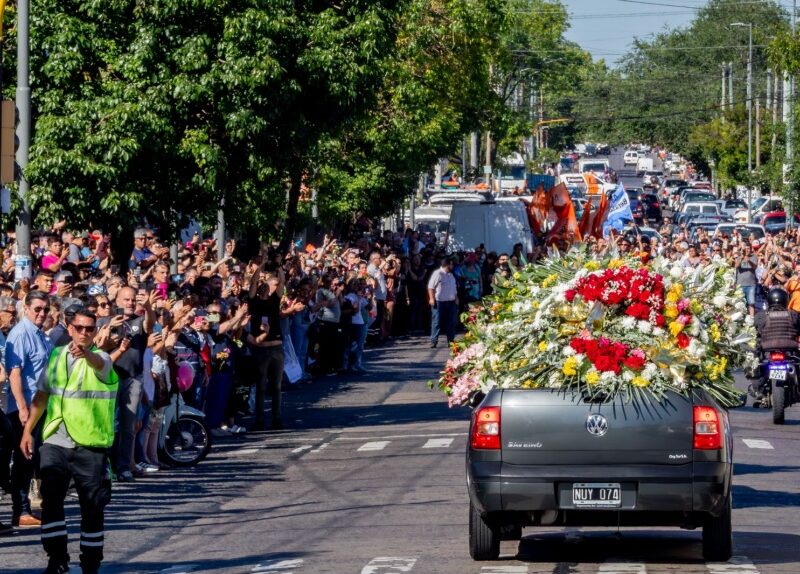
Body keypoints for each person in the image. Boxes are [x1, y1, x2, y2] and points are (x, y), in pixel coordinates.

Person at [20, 308, 117, 574]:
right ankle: (57, 559)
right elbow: (42, 395)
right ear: (69, 327)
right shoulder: (56, 356)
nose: (85, 333)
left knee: (92, 506)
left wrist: (87, 355)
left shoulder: (102, 358)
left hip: (90, 444)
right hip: (56, 441)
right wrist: (28, 430)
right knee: (51, 502)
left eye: (90, 329)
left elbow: (100, 366)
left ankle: (90, 562)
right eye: (80, 328)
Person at [4, 290, 53, 528]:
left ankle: (37, 506)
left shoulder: (40, 335)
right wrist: (22, 407)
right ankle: (20, 511)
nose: (42, 313)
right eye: (37, 309)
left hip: (43, 405)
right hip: (26, 408)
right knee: (25, 460)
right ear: (26, 308)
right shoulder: (21, 333)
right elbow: (14, 374)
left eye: (46, 309)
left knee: (38, 460)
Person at [427, 257, 458, 348]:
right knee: (437, 321)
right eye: (451, 264)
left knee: (451, 322)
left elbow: (454, 288)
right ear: (447, 265)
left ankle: (451, 340)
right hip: (439, 301)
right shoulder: (438, 274)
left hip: (451, 301)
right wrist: (431, 298)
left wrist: (456, 298)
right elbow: (431, 287)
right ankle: (433, 340)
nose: (452, 266)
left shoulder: (451, 275)